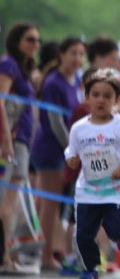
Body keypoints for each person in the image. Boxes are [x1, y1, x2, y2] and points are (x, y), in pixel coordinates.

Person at [64, 69, 120, 279]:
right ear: (87, 96)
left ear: (117, 99)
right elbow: (72, 152)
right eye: (96, 94)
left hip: (115, 192)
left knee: (116, 231)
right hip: (88, 192)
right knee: (83, 235)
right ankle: (90, 270)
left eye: (107, 96)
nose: (101, 100)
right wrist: (72, 160)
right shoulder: (79, 129)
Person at [31, 36, 85, 270]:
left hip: (67, 150)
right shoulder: (53, 83)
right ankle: (43, 257)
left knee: (55, 206)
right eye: (72, 53)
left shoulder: (76, 81)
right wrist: (73, 149)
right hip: (52, 149)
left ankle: (53, 251)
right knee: (49, 205)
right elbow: (56, 123)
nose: (77, 59)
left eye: (81, 54)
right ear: (61, 54)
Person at [0, 22, 40, 268]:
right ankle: (4, 254)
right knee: (7, 200)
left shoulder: (22, 69)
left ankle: (10, 251)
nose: (35, 44)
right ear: (16, 42)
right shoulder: (8, 65)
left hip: (23, 140)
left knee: (13, 201)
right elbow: (0, 102)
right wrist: (6, 139)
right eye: (30, 39)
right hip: (11, 140)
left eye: (37, 40)